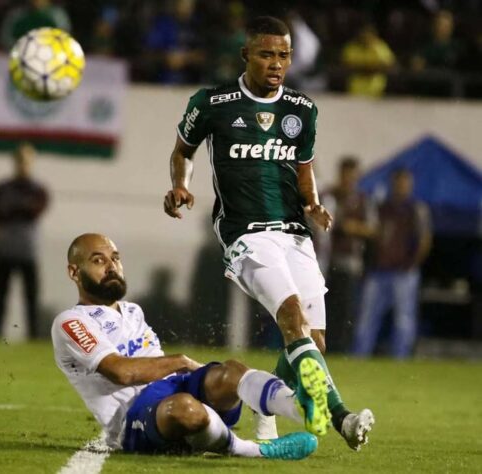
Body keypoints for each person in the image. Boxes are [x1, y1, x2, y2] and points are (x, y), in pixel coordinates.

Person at [163, 16, 374, 449]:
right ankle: (342, 419)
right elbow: (182, 151)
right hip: (246, 234)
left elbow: (304, 167)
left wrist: (313, 203)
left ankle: (265, 408)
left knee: (312, 340)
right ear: (246, 55)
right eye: (266, 54)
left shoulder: (302, 110)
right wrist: (180, 185)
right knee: (291, 317)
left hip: (295, 233)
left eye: (283, 55)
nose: (276, 63)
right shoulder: (212, 103)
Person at [51, 233, 318, 459]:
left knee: (231, 371)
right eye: (98, 260)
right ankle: (253, 450)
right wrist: (179, 361)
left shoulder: (132, 311)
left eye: (115, 258)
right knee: (184, 408)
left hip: (173, 386)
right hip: (135, 417)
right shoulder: (71, 322)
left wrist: (212, 379)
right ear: (74, 272)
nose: (112, 266)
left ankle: (300, 407)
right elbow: (121, 372)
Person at [353, 169, 432, 358]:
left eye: (405, 183)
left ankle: (400, 357)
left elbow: (424, 240)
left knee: (403, 319)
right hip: (379, 271)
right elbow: (373, 234)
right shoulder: (382, 207)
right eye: (399, 183)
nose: (402, 187)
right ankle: (359, 356)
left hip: (404, 272)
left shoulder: (416, 209)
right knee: (367, 318)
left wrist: (412, 264)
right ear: (392, 184)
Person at [0, 143, 49, 339]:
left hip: (27, 249)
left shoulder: (38, 190)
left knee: (31, 297)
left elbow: (34, 211)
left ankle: (33, 335)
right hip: (5, 248)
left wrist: (13, 209)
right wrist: (18, 208)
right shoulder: (3, 188)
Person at [318, 157, 375, 352]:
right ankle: (323, 347)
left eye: (352, 176)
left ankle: (341, 349)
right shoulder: (329, 196)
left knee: (345, 310)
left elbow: (373, 229)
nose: (348, 179)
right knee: (325, 309)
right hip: (325, 262)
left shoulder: (362, 200)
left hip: (349, 263)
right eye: (345, 175)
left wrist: (353, 228)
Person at [341, 23, 396, 97]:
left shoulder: (380, 47)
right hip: (355, 88)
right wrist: (366, 68)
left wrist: (370, 68)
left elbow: (389, 65)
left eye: (368, 35)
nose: (366, 38)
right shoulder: (352, 47)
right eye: (363, 35)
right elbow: (345, 66)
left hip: (377, 88)